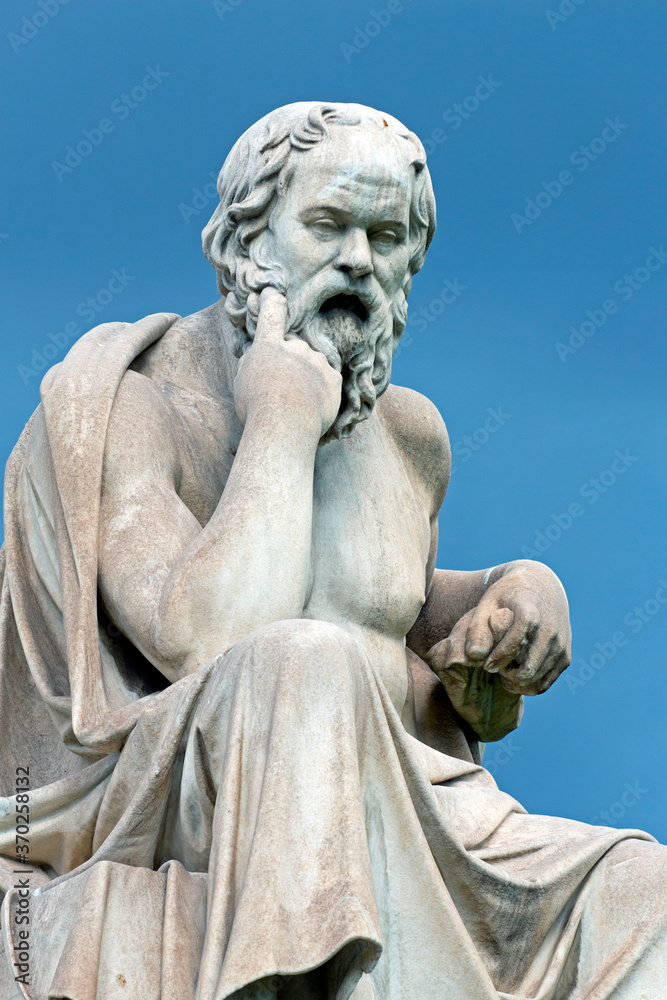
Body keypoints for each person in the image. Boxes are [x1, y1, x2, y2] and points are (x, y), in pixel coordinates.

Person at [0, 102, 664, 1000]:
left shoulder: (407, 433)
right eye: (327, 225)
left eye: (385, 237)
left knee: (637, 886)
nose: (358, 259)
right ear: (246, 239)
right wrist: (278, 417)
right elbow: (206, 638)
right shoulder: (135, 407)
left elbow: (391, 606)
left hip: (402, 796)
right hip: (174, 797)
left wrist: (512, 595)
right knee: (302, 665)